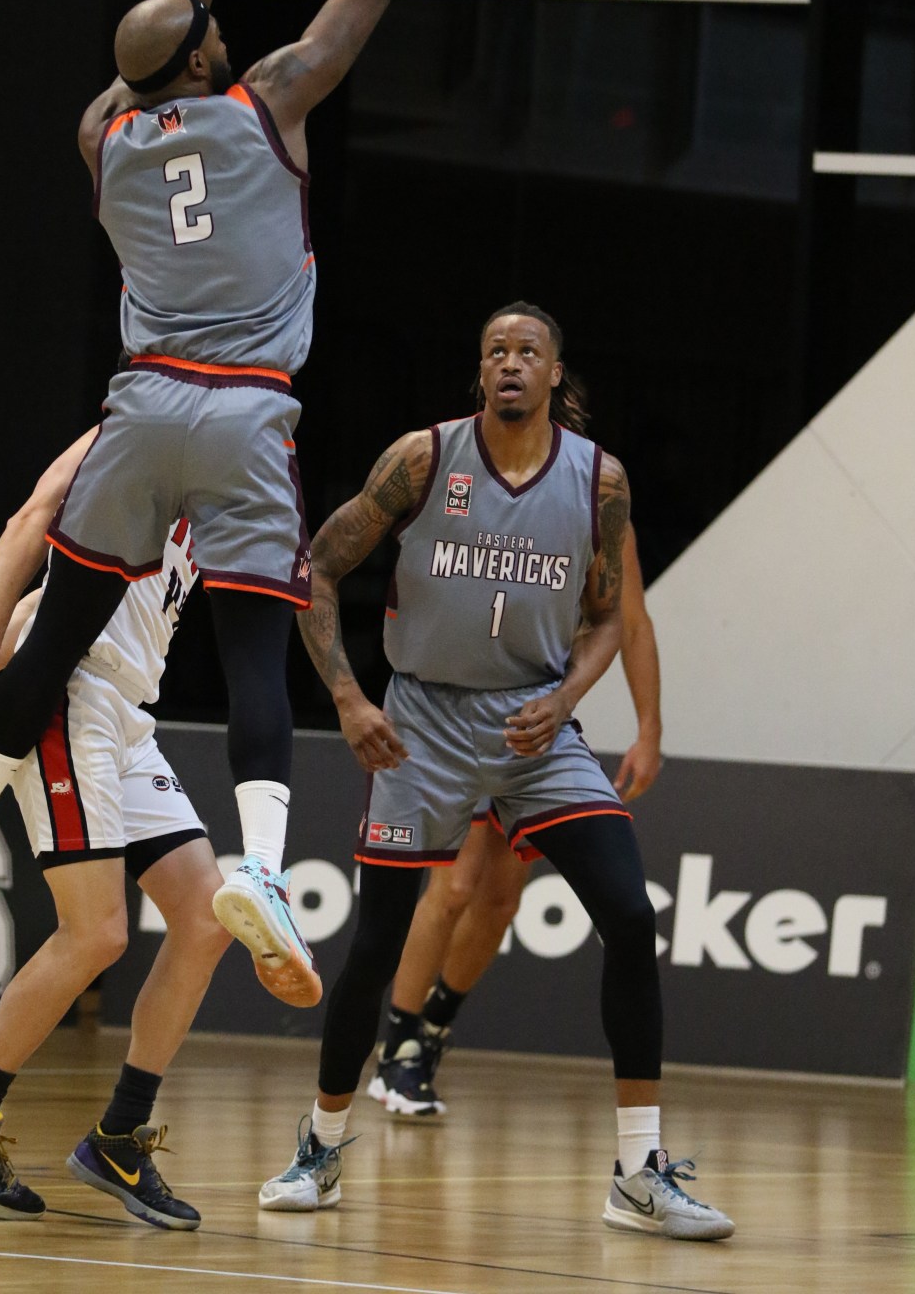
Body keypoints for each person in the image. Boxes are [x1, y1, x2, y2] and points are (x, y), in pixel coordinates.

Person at [0, 0, 389, 1010]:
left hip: (137, 407)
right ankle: (267, 872)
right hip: (240, 410)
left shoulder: (99, 138)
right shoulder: (269, 101)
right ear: (213, 51)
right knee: (252, 651)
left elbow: (151, 47)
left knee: (59, 625)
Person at [257, 302, 734, 1242]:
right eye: (495, 352)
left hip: (534, 728)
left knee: (632, 916)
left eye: (529, 352)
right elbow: (314, 568)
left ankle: (639, 1172)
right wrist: (351, 702)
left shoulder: (600, 482)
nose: (510, 364)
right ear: (479, 374)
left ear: (557, 374)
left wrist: (566, 703)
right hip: (422, 721)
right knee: (377, 946)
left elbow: (607, 618)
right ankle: (320, 1144)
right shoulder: (424, 459)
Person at [0, 429, 230, 1228]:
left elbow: (57, 598)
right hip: (71, 702)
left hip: (130, 715)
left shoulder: (226, 468)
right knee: (95, 935)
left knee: (205, 916)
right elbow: (33, 532)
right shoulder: (133, 427)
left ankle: (120, 1137)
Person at [371, 521, 661, 1118]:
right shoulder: (490, 488)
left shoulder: (600, 501)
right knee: (454, 885)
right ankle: (395, 1047)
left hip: (538, 720)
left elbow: (630, 621)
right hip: (465, 713)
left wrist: (649, 729)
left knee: (501, 899)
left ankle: (430, 1037)